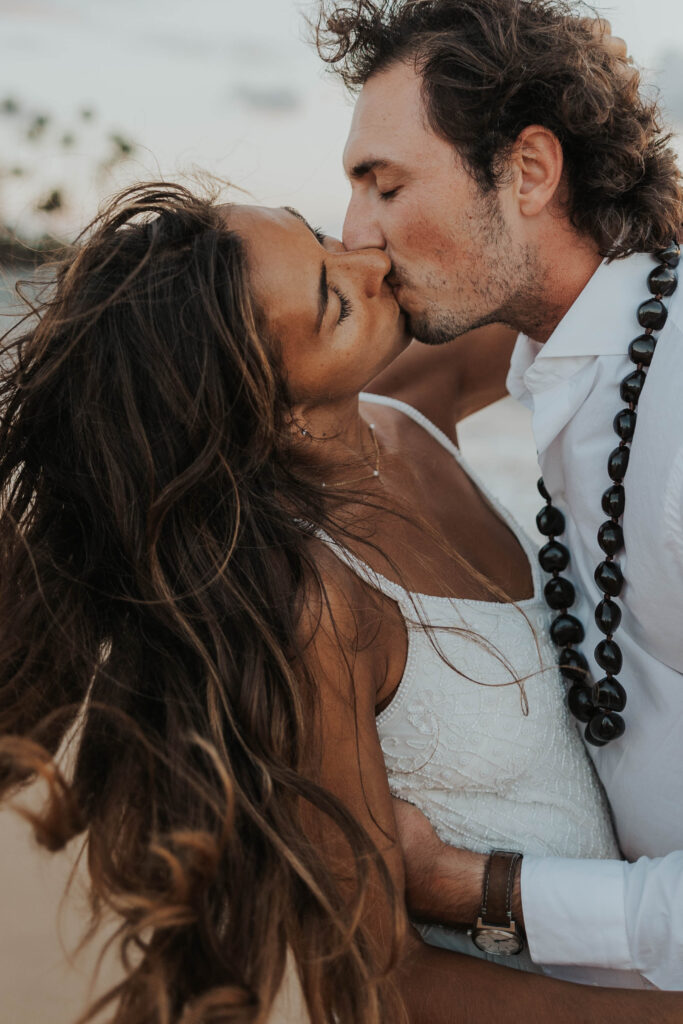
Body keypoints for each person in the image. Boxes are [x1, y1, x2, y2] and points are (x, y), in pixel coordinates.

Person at [4, 180, 683, 1024]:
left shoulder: (404, 408)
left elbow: (567, 292)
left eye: (322, 237)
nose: (367, 263)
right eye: (332, 298)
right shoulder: (317, 605)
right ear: (262, 406)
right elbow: (377, 982)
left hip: (647, 936)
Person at [315, 0, 683, 994]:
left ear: (527, 170)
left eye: (385, 186)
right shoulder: (559, 353)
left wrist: (469, 884)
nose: (358, 237)